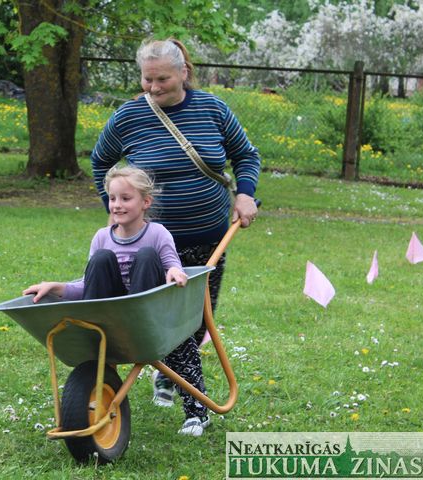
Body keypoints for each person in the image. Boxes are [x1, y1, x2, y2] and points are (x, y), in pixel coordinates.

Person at [90, 38, 261, 436]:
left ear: (183, 73)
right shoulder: (129, 117)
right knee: (171, 322)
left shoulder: (213, 109)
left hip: (210, 240)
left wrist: (245, 193)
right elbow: (101, 161)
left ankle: (168, 370)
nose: (153, 87)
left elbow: (246, 155)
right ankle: (190, 400)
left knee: (198, 323)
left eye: (162, 79)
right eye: (147, 79)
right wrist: (115, 208)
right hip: (151, 246)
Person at [23, 165, 188, 303]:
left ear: (146, 202)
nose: (117, 205)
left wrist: (174, 271)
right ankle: (93, 321)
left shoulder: (157, 233)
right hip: (110, 315)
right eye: (112, 198)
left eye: (125, 198)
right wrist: (55, 287)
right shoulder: (102, 237)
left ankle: (136, 317)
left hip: (149, 310)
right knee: (102, 257)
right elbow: (88, 285)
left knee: (147, 255)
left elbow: (175, 269)